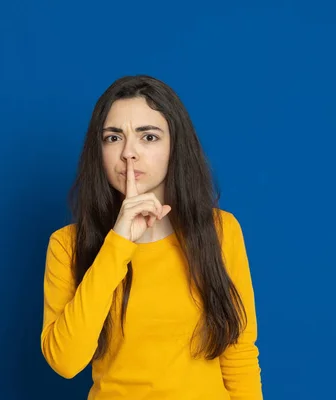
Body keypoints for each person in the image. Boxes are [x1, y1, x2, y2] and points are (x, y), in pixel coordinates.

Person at [40, 75, 263, 399]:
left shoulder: (219, 231)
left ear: (175, 146)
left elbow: (239, 353)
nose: (129, 152)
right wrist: (119, 241)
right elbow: (65, 360)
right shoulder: (67, 245)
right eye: (113, 137)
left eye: (148, 136)